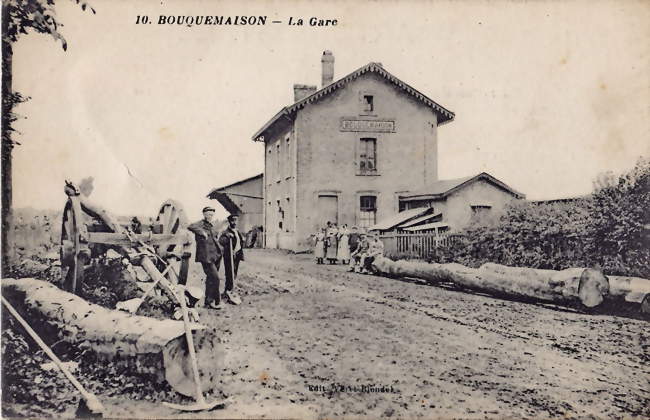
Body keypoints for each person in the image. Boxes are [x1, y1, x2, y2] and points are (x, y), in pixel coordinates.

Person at [187, 207, 223, 309]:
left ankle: (208, 301)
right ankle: (217, 301)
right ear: (204, 214)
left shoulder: (213, 226)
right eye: (208, 214)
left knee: (210, 279)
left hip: (216, 255)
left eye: (212, 215)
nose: (210, 216)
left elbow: (216, 237)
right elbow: (190, 226)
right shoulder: (200, 224)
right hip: (206, 257)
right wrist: (201, 232)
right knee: (215, 278)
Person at [219, 214, 245, 305]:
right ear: (229, 221)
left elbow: (241, 242)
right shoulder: (226, 231)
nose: (235, 222)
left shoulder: (237, 231)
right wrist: (227, 236)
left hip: (236, 255)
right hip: (229, 256)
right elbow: (221, 241)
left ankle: (229, 290)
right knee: (230, 273)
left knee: (234, 273)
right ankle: (228, 291)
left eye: (236, 220)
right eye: (233, 220)